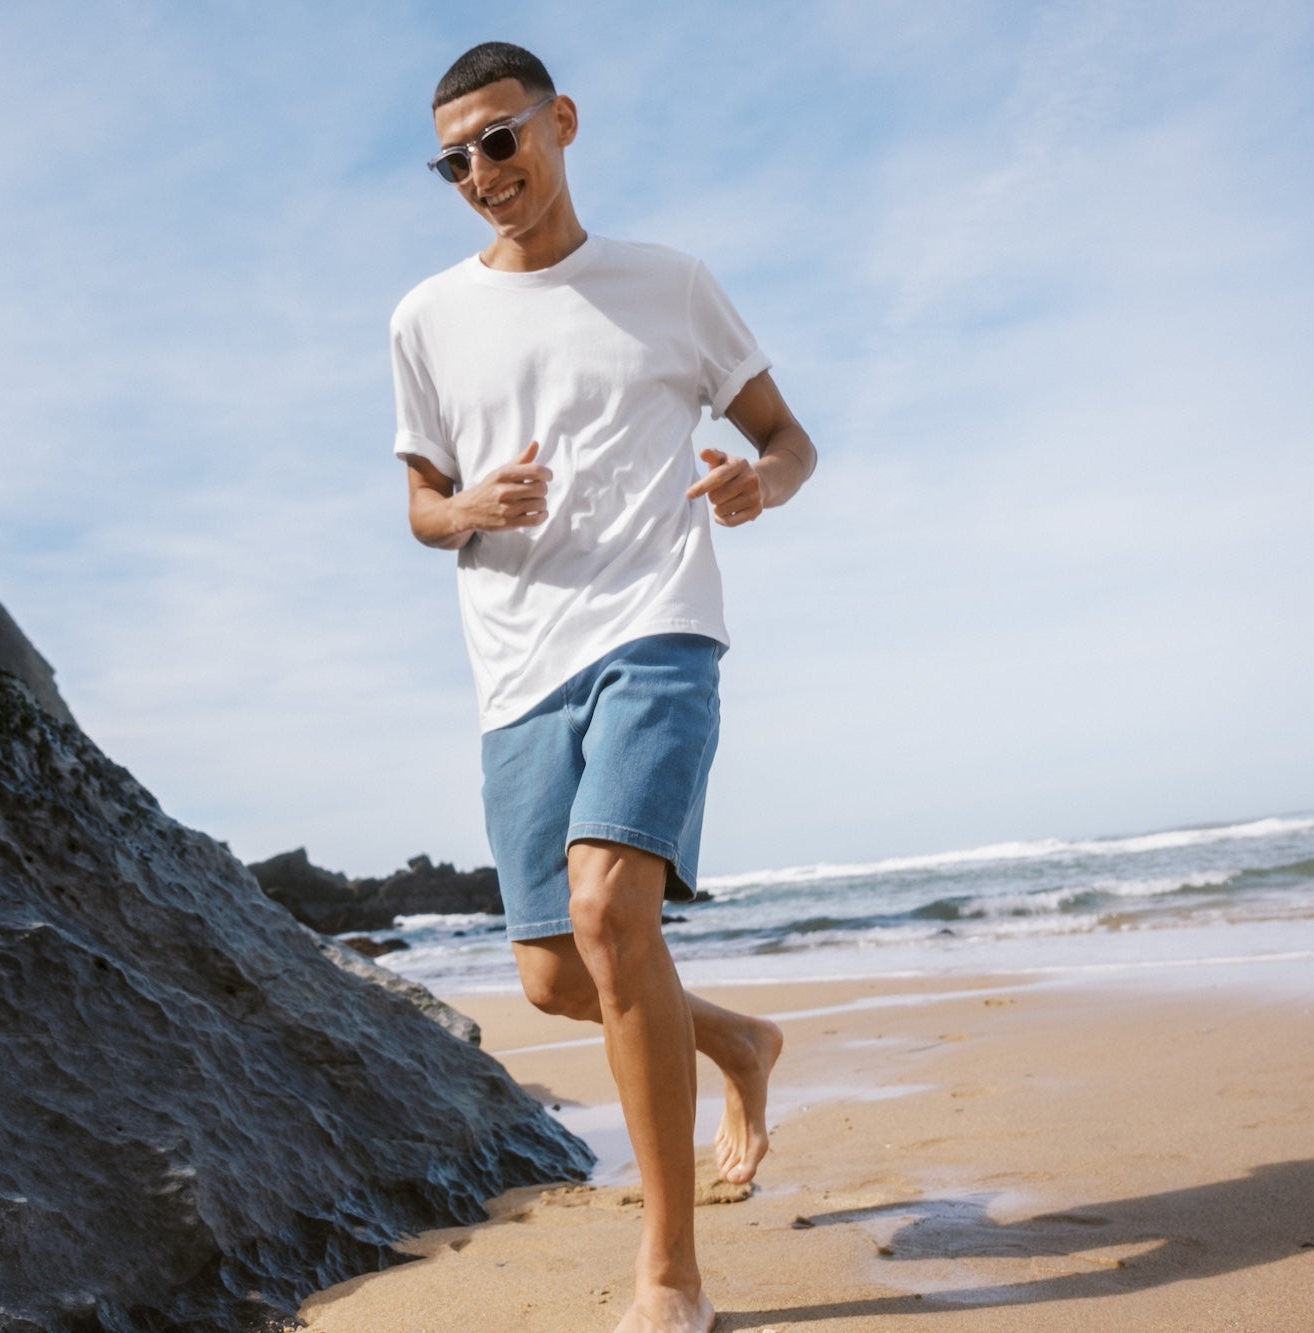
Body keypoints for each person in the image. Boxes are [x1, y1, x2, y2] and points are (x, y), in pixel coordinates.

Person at [388, 40, 818, 1333]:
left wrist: (757, 485)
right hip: (516, 667)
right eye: (454, 158)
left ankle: (671, 1271)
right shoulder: (424, 319)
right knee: (554, 973)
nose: (481, 173)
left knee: (610, 906)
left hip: (657, 633)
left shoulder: (670, 287)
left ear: (562, 123)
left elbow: (788, 439)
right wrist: (471, 504)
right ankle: (737, 1040)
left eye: (501, 140)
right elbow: (417, 505)